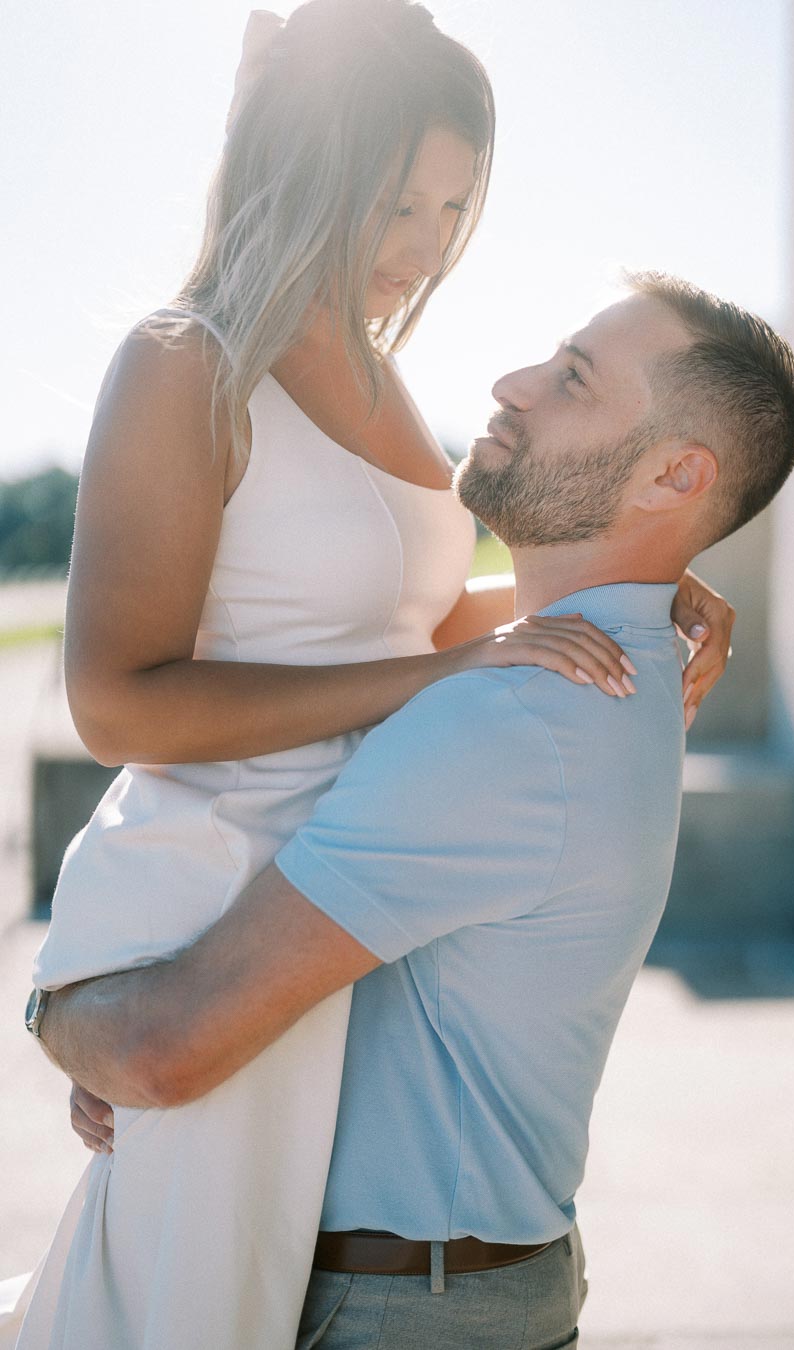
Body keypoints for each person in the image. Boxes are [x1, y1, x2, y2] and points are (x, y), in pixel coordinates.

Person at [2, 4, 733, 1348]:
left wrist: (639, 588)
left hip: (334, 906)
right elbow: (117, 701)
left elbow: (413, 612)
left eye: (454, 208)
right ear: (313, 170)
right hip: (218, 891)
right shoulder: (187, 366)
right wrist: (432, 679)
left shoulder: (387, 379)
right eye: (398, 203)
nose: (427, 246)